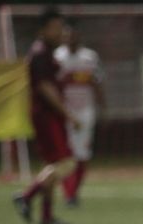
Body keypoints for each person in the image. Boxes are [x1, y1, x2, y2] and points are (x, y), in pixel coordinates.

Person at [13, 7, 80, 224]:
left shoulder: (47, 52)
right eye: (56, 28)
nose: (61, 32)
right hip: (46, 116)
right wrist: (68, 114)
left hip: (49, 116)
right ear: (43, 30)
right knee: (65, 163)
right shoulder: (40, 53)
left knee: (53, 166)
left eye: (62, 28)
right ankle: (27, 196)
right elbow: (45, 88)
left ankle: (46, 217)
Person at [55, 23, 105, 207]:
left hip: (85, 111)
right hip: (63, 112)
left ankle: (73, 193)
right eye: (67, 36)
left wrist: (103, 107)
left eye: (74, 36)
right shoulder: (57, 57)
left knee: (82, 153)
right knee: (64, 154)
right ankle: (68, 192)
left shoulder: (89, 57)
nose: (71, 39)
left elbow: (97, 83)